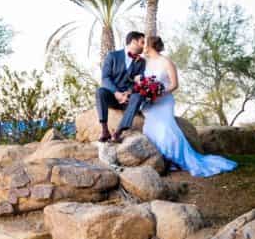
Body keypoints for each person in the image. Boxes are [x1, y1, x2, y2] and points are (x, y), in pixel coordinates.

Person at [139, 36, 238, 177]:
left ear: (150, 45)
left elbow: (174, 84)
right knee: (150, 129)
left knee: (167, 130)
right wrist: (146, 91)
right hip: (151, 103)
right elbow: (144, 82)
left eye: (145, 44)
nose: (142, 46)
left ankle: (178, 159)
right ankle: (167, 162)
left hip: (164, 101)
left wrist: (160, 92)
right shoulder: (146, 63)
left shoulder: (166, 62)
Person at [96, 31, 146, 143]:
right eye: (142, 42)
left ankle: (118, 132)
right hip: (113, 97)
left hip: (129, 99)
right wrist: (116, 93)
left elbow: (140, 82)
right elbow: (105, 78)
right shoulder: (112, 56)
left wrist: (129, 92)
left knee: (138, 96)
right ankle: (104, 130)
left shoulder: (141, 62)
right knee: (100, 91)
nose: (144, 46)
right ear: (133, 42)